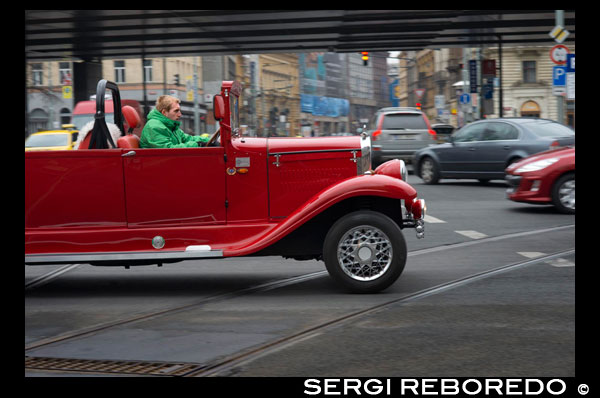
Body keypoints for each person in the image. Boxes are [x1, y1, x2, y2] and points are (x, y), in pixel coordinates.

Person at [140, 95, 210, 148]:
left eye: (179, 110)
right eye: (176, 111)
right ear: (164, 112)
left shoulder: (171, 127)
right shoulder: (154, 127)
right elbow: (169, 149)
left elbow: (188, 138)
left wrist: (207, 140)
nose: (180, 114)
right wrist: (198, 144)